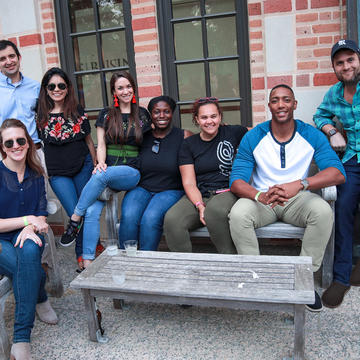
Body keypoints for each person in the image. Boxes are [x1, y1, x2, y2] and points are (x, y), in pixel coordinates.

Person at [229, 84, 346, 312]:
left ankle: (302, 280)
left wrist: (301, 184)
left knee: (322, 211)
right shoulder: (254, 136)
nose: (281, 105)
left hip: (297, 199)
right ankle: (256, 278)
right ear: (269, 105)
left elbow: (337, 173)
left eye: (286, 100)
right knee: (238, 213)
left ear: (294, 104)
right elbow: (237, 181)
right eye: (275, 100)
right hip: (264, 199)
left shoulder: (310, 134)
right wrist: (258, 194)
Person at [63, 71, 151, 268]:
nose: (125, 91)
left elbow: (149, 144)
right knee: (93, 211)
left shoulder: (142, 114)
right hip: (108, 170)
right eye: (120, 88)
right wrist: (100, 162)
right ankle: (87, 263)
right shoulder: (107, 114)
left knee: (102, 176)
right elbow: (100, 144)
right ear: (114, 91)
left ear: (133, 88)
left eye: (128, 86)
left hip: (131, 171)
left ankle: (75, 219)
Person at [0, 119, 57, 360]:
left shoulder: (35, 174)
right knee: (31, 267)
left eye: (20, 140)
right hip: (1, 240)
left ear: (28, 143)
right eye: (9, 142)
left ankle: (21, 339)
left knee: (31, 251)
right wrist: (26, 221)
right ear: (2, 147)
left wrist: (32, 225)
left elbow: (42, 216)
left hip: (30, 233)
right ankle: (40, 296)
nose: (16, 146)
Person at [163, 97, 247, 253]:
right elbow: (189, 183)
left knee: (213, 212)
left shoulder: (233, 132)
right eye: (204, 117)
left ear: (220, 117)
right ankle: (186, 268)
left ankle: (230, 261)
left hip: (228, 192)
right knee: (172, 219)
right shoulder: (189, 145)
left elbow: (258, 134)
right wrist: (199, 205)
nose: (210, 121)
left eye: (213, 116)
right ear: (197, 119)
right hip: (200, 194)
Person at [314, 39, 360, 308]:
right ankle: (341, 277)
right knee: (341, 209)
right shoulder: (334, 93)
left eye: (350, 60)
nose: (346, 66)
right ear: (334, 67)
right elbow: (319, 116)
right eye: (340, 62)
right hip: (352, 160)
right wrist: (331, 131)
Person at [36, 67, 97, 270]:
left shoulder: (77, 111)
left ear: (68, 88)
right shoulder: (39, 114)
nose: (56, 89)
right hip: (58, 173)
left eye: (61, 85)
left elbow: (89, 141)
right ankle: (92, 246)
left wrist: (95, 163)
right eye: (52, 86)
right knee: (74, 214)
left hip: (82, 166)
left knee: (84, 212)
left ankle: (82, 258)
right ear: (46, 89)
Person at [119, 96, 192, 250]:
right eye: (156, 112)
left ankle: (146, 262)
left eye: (166, 111)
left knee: (150, 218)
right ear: (150, 115)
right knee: (129, 215)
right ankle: (126, 261)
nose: (161, 115)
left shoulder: (184, 135)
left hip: (171, 189)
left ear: (172, 113)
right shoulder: (142, 136)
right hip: (142, 187)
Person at [0, 40, 40, 147]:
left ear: (19, 57)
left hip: (34, 148)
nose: (8, 62)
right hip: (8, 151)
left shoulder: (35, 87)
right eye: (2, 59)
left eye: (11, 56)